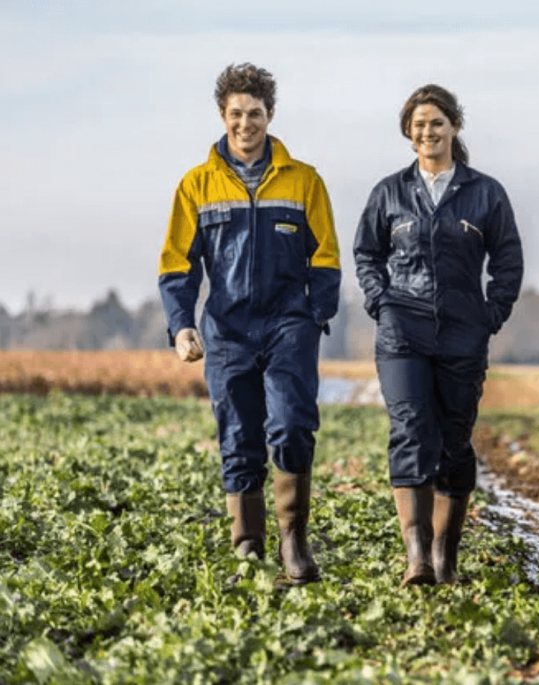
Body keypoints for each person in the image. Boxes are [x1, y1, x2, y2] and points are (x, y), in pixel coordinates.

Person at [158, 63, 341, 585]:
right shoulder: (196, 186)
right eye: (236, 114)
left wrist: (314, 316)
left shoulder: (305, 181)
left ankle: (293, 542)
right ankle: (247, 549)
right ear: (223, 115)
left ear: (270, 116)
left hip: (289, 325)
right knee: (238, 436)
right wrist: (181, 325)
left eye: (255, 114)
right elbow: (177, 264)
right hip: (227, 330)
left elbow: (325, 258)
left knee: (291, 425)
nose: (245, 124)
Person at [353, 84, 523, 586]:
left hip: (462, 333)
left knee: (453, 441)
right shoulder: (389, 192)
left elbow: (508, 258)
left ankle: (447, 557)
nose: (428, 132)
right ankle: (417, 559)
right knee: (410, 431)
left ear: (454, 127)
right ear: (408, 134)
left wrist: (492, 313)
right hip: (401, 331)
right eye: (419, 124)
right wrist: (380, 301)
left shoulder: (485, 192)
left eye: (437, 123)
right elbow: (366, 253)